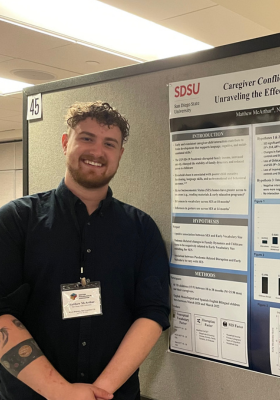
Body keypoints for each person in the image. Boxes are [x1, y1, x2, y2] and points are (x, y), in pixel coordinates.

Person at [0, 101, 170, 400]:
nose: (97, 151)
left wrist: (101, 390)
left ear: (120, 154)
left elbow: (152, 313)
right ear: (66, 143)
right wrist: (60, 392)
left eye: (109, 143)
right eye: (86, 138)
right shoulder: (16, 220)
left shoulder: (141, 228)